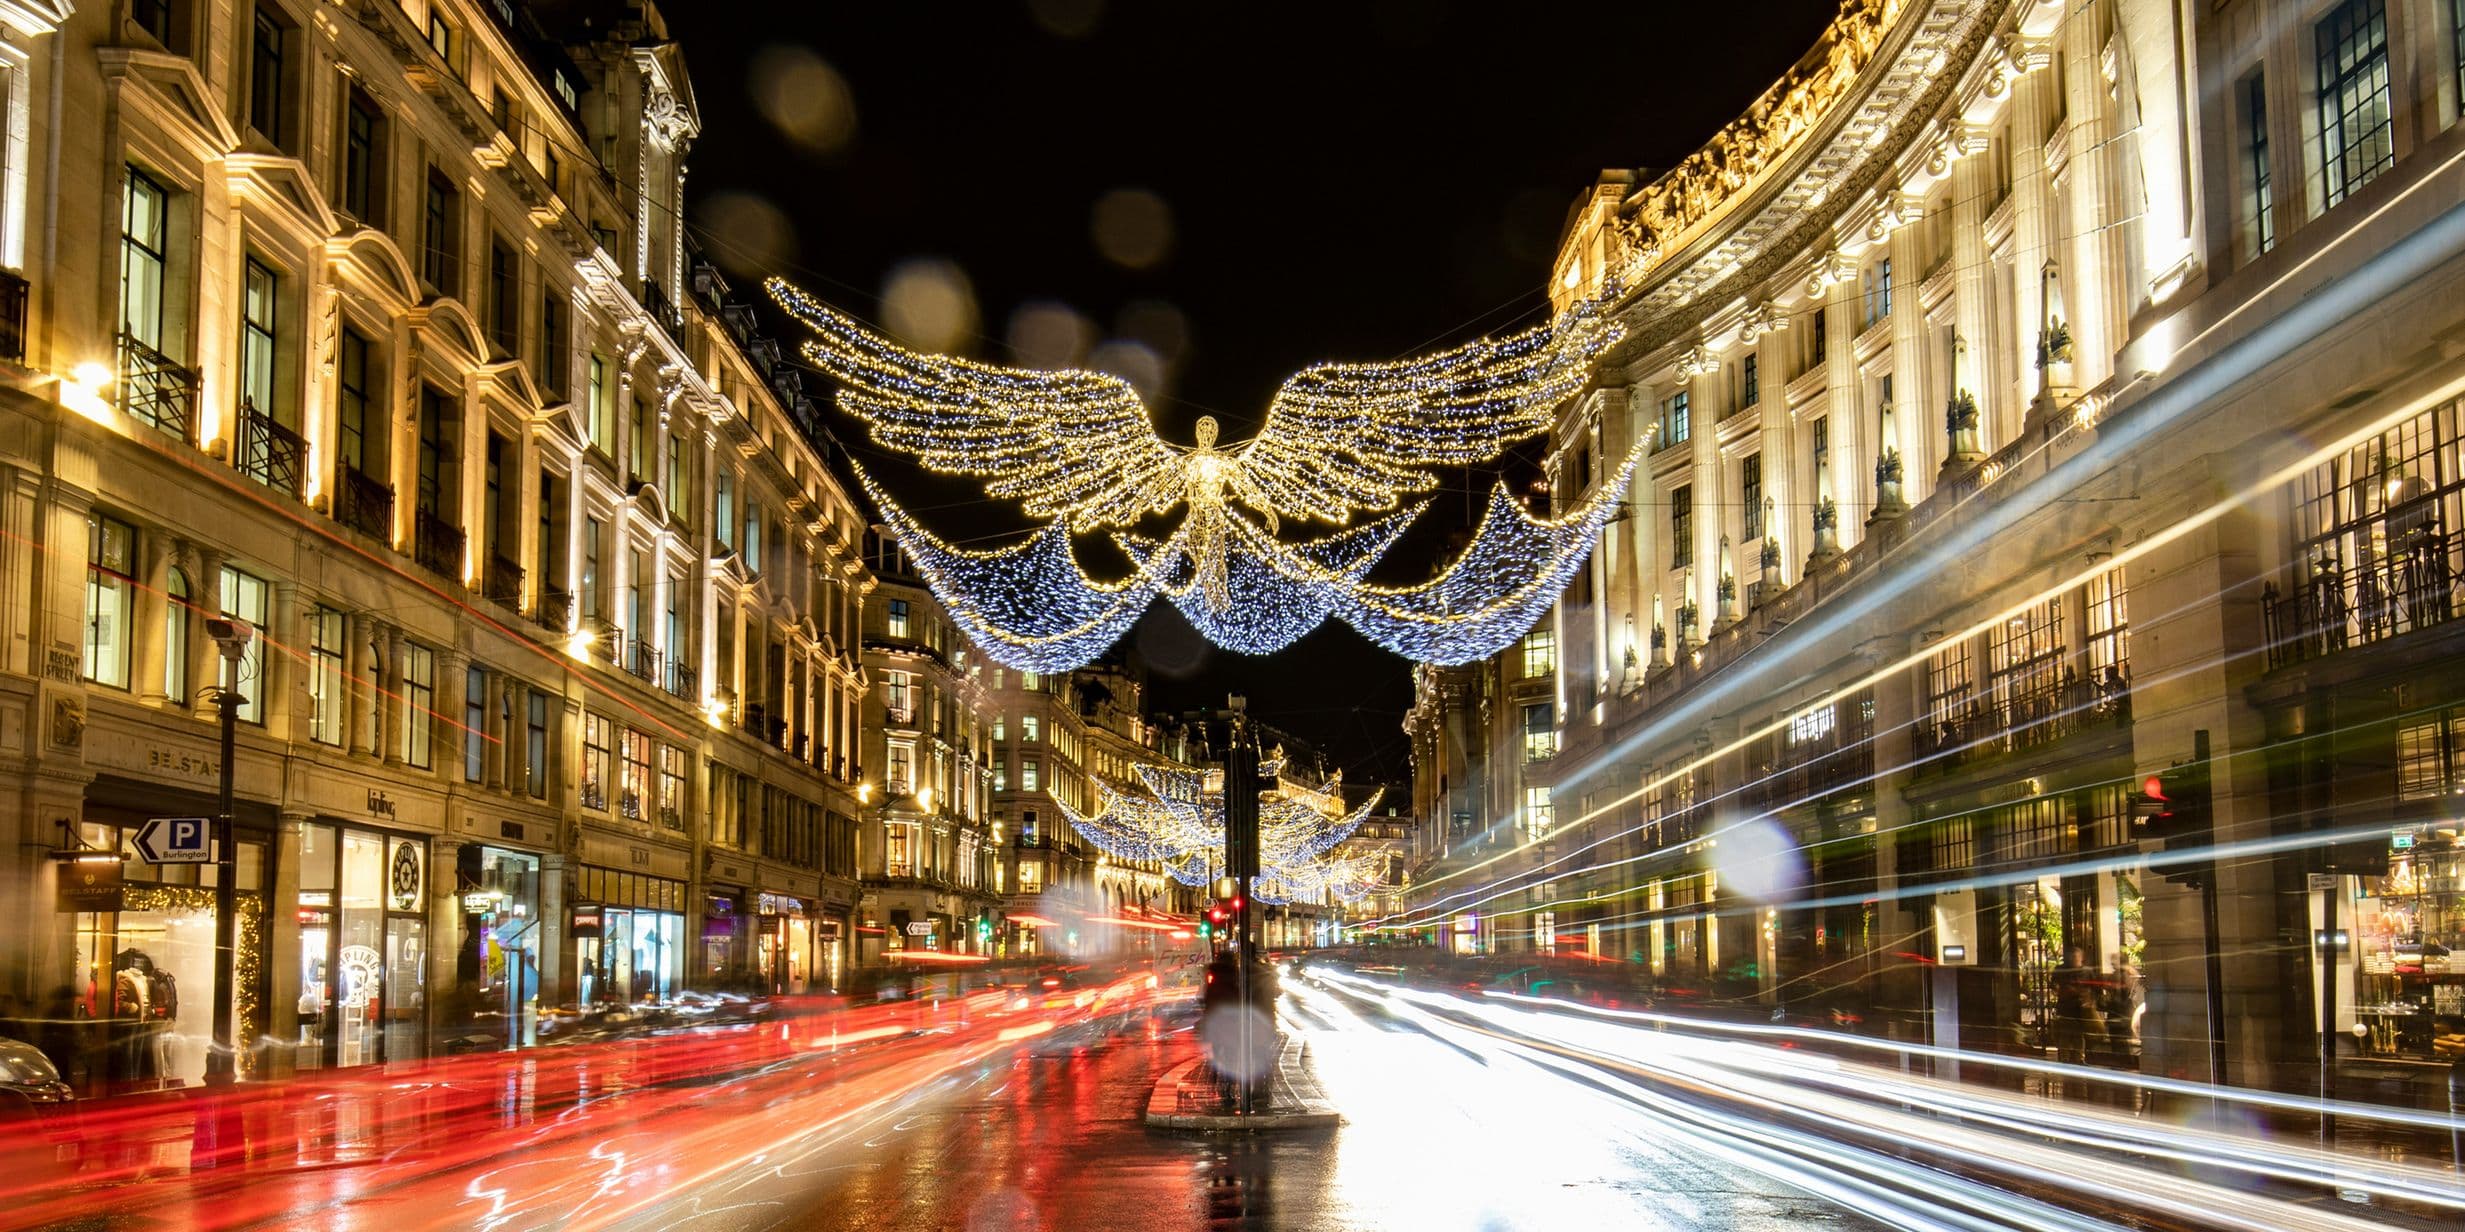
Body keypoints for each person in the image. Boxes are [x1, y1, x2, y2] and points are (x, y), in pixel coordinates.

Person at [2051, 947, 2107, 1066]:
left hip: (2081, 1008)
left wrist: (2091, 1000)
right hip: (2066, 1006)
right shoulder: (2060, 970)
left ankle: (2080, 1057)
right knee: (2065, 1033)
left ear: (2081, 958)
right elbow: (2054, 986)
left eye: (2076, 957)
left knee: (2079, 1034)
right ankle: (2064, 1057)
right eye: (2072, 957)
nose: (2074, 959)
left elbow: (2096, 988)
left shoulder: (2087, 971)